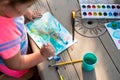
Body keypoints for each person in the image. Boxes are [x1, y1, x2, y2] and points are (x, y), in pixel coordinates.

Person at [0, 0, 55, 80]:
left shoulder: (7, 10)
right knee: (29, 73)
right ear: (6, 3)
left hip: (13, 53)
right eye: (27, 6)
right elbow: (16, 64)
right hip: (14, 67)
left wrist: (26, 12)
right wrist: (42, 55)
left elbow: (16, 6)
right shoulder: (6, 34)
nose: (27, 9)